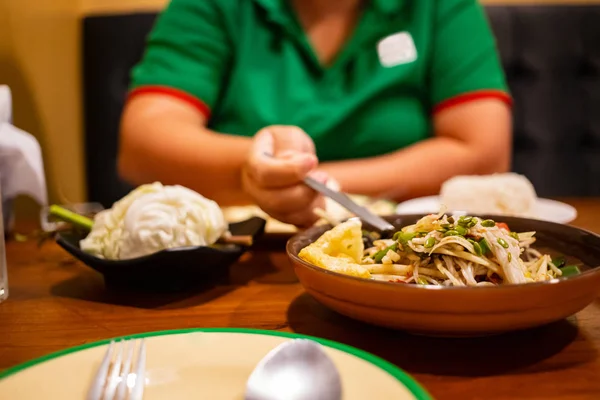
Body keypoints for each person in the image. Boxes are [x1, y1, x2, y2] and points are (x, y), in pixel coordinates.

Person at [118, 0, 511, 227]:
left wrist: (305, 181)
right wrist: (250, 168)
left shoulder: (440, 7)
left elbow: (484, 152)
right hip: (241, 260)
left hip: (401, 247)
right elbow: (142, 143)